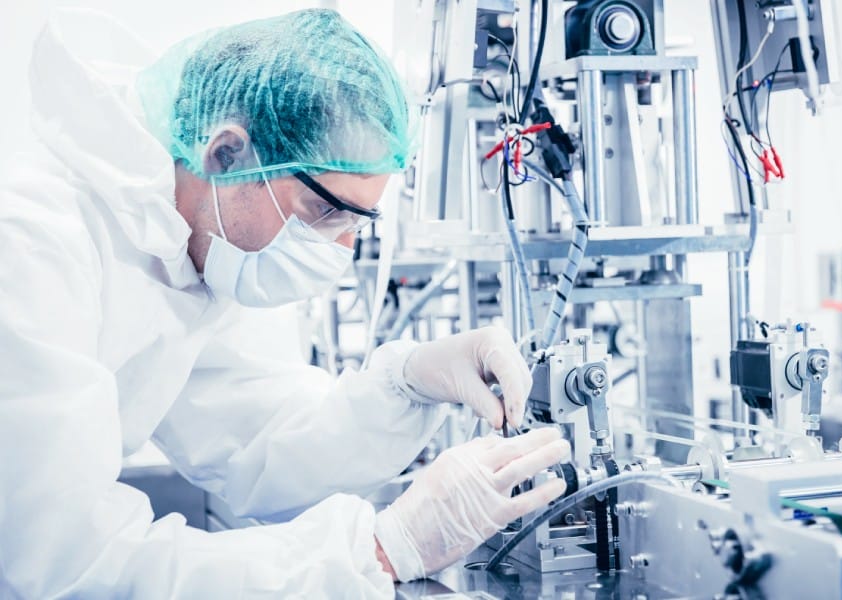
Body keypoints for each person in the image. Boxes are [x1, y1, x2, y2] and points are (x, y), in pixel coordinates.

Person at [0, 8, 569, 598]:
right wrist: (378, 551)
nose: (342, 247)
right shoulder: (33, 245)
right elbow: (61, 566)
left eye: (359, 219)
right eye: (326, 210)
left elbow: (259, 440)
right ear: (226, 155)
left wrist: (408, 383)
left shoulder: (196, 248)